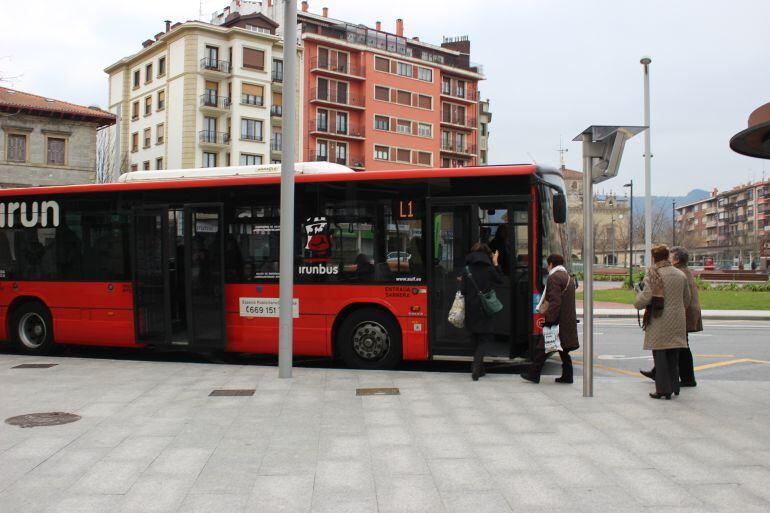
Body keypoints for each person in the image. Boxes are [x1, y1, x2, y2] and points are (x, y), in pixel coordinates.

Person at [633, 244, 691, 400]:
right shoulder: (680, 275)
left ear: (654, 258)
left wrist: (637, 297)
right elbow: (687, 299)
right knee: (673, 354)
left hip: (659, 319)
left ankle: (663, 390)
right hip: (678, 319)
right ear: (667, 257)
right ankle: (674, 386)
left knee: (660, 355)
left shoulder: (653, 275)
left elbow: (644, 299)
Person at [640, 246, 702, 387]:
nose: (668, 259)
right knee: (679, 346)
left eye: (671, 257)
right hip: (687, 312)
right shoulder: (684, 272)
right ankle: (661, 373)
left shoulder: (678, 273)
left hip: (685, 313)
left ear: (677, 260)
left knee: (679, 347)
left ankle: (687, 379)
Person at [521, 254, 579, 384]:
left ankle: (533, 375)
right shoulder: (567, 277)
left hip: (557, 320)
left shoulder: (554, 278)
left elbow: (555, 302)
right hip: (566, 320)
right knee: (562, 349)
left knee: (542, 348)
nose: (547, 267)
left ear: (551, 264)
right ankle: (567, 376)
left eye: (548, 264)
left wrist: (550, 320)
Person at [460, 242, 502, 381]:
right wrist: (496, 263)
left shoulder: (467, 269)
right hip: (484, 307)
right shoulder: (489, 268)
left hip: (470, 306)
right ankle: (476, 367)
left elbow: (464, 290)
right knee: (484, 338)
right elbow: (500, 280)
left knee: (475, 337)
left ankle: (480, 368)